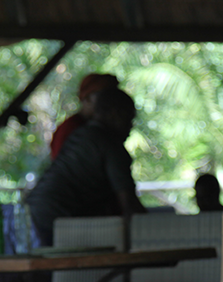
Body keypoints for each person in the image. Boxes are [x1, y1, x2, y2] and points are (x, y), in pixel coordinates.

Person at [27, 87, 147, 246]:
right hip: (56, 218)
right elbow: (129, 204)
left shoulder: (81, 134)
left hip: (33, 212)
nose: (130, 127)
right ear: (115, 113)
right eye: (129, 118)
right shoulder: (110, 145)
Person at [48, 73, 119, 160]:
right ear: (88, 98)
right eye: (106, 97)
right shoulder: (71, 128)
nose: (111, 103)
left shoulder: (96, 128)